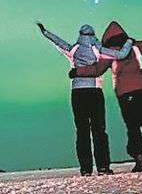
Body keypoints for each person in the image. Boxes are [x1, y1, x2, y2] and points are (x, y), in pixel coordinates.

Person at [69, 21, 142, 172]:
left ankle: (140, 162)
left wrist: (77, 72)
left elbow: (97, 70)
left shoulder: (108, 54)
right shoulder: (135, 47)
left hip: (125, 94)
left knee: (133, 128)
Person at [36, 22, 133, 176]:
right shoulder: (98, 49)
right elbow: (121, 55)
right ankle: (103, 167)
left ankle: (85, 169)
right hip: (94, 91)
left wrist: (45, 32)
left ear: (80, 35)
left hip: (77, 93)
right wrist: (129, 42)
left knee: (82, 131)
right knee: (99, 131)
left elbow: (58, 41)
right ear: (93, 35)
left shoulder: (73, 49)